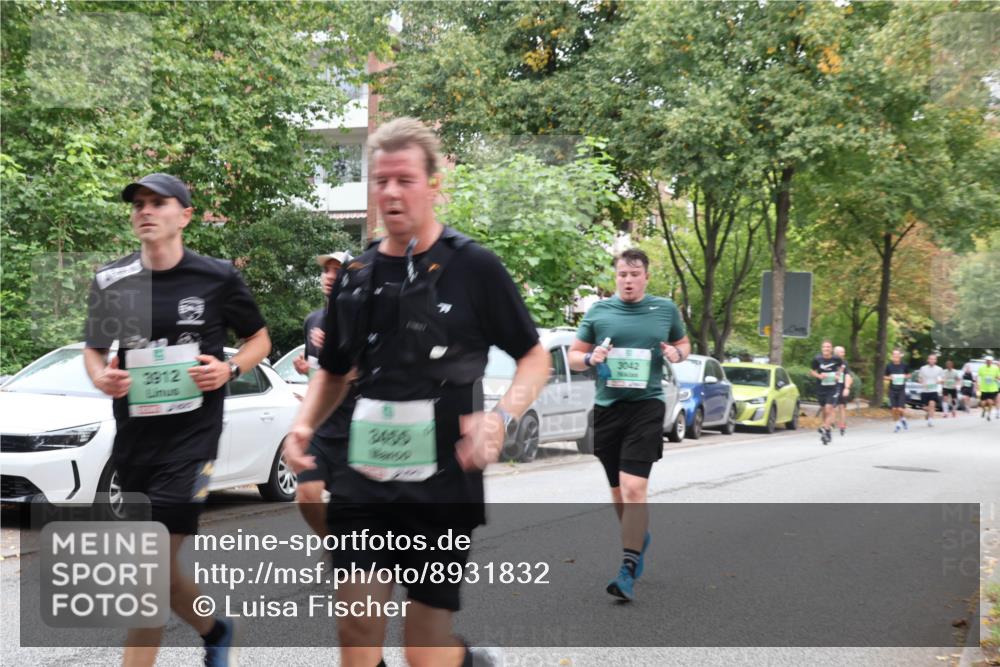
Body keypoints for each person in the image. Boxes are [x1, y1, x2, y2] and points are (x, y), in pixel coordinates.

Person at [283, 118, 550, 667]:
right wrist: (305, 425)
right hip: (365, 476)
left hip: (443, 481)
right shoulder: (355, 276)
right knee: (357, 633)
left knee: (424, 654)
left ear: (434, 184)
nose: (390, 192)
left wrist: (500, 418)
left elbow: (534, 356)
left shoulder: (473, 267)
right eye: (381, 180)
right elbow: (334, 371)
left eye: (404, 179)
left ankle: (471, 662)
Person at [84, 173, 270, 667]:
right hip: (135, 439)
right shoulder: (111, 280)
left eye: (157, 203)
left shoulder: (217, 277)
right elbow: (94, 351)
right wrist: (102, 376)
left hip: (192, 441)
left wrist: (230, 368)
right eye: (137, 204)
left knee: (147, 572)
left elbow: (259, 340)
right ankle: (214, 627)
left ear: (185, 215)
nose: (144, 210)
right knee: (160, 571)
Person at [568, 248, 690, 602]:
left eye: (635, 274)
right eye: (622, 274)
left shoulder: (664, 310)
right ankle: (638, 539)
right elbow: (575, 356)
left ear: (646, 277)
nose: (628, 280)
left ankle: (627, 568)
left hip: (646, 407)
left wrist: (676, 354)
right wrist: (590, 358)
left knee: (634, 488)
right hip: (608, 409)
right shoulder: (599, 311)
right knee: (619, 494)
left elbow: (682, 343)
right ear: (616, 277)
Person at [294, 250, 355, 537]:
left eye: (338, 271)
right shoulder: (313, 321)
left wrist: (336, 351)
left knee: (352, 506)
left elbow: (359, 371)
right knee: (307, 493)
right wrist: (305, 368)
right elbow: (318, 373)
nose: (330, 277)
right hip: (321, 425)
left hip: (355, 427)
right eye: (326, 271)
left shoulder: (361, 318)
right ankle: (331, 543)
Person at [810, 340, 845, 445]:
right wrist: (819, 376)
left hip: (833, 387)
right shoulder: (817, 359)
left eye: (828, 347)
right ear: (822, 348)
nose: (826, 349)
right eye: (824, 347)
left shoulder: (836, 358)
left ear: (831, 349)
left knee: (829, 408)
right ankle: (828, 429)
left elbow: (841, 366)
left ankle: (825, 429)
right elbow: (812, 371)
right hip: (821, 387)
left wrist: (838, 374)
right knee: (824, 410)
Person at [884, 349, 911, 433]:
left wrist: (905, 376)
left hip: (901, 389)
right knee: (893, 409)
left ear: (900, 356)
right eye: (894, 355)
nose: (895, 356)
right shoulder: (889, 366)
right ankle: (898, 424)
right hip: (892, 389)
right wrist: (890, 377)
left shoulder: (904, 365)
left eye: (897, 355)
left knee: (900, 409)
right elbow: (884, 376)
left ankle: (902, 419)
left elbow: (909, 375)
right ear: (892, 356)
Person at [916, 353, 945, 426]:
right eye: (931, 359)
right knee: (925, 407)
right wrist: (922, 382)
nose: (932, 360)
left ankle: (930, 421)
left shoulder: (939, 369)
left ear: (936, 360)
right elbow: (919, 378)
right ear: (928, 360)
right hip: (924, 390)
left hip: (934, 390)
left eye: (934, 359)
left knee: (932, 404)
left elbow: (943, 379)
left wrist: (939, 381)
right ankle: (928, 413)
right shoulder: (923, 368)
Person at [832, 345, 854, 436]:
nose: (844, 354)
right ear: (836, 353)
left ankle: (842, 425)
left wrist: (847, 387)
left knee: (842, 407)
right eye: (842, 352)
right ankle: (831, 424)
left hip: (841, 386)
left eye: (844, 352)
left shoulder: (845, 362)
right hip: (833, 386)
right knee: (832, 406)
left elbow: (847, 375)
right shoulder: (831, 361)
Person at [976, 355, 999, 422]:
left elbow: (998, 376)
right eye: (987, 361)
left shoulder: (995, 368)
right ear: (985, 361)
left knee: (990, 402)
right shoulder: (981, 368)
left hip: (992, 388)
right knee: (982, 403)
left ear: (991, 362)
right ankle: (983, 410)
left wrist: (996, 378)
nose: (988, 362)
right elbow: (978, 376)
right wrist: (977, 384)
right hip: (984, 388)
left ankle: (989, 414)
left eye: (989, 361)